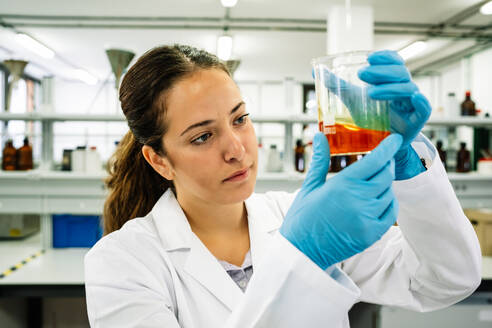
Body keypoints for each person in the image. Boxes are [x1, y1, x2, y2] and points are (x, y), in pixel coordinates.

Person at [84, 45, 481, 327]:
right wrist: (302, 257)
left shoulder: (301, 217)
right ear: (159, 160)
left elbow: (446, 279)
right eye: (203, 137)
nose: (237, 149)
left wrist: (407, 164)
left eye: (240, 119)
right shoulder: (122, 263)